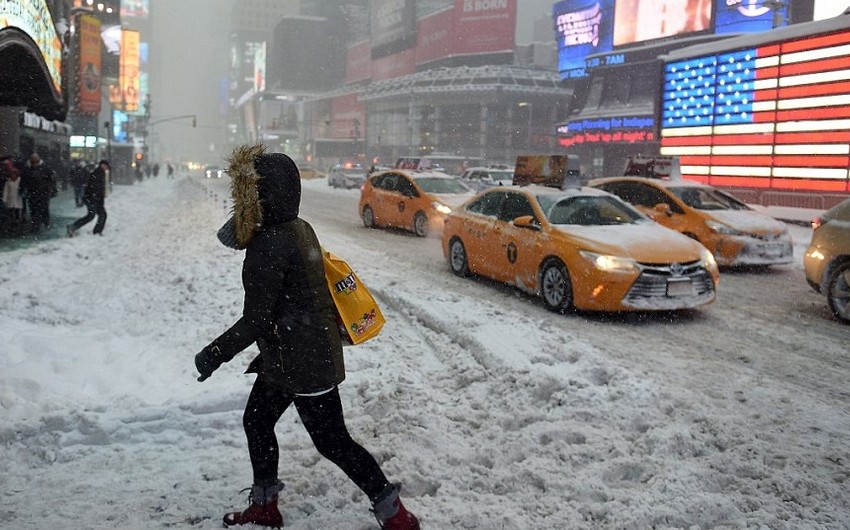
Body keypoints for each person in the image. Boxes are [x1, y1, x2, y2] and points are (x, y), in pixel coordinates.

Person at [193, 144, 420, 530]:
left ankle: (393, 513)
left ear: (261, 195)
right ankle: (265, 505)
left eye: (247, 192)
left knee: (332, 441)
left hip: (304, 361)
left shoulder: (270, 242)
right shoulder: (295, 228)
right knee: (258, 420)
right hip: (289, 355)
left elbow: (256, 319)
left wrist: (214, 353)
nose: (241, 198)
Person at [67, 159, 109, 237]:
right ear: (102, 165)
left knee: (100, 215)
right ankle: (74, 227)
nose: (107, 168)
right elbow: (94, 187)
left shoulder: (100, 173)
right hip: (92, 198)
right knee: (93, 215)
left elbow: (97, 187)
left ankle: (96, 231)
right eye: (106, 166)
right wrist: (96, 197)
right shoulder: (98, 173)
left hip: (95, 198)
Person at [20, 153, 56, 233]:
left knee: (43, 208)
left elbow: (52, 180)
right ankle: (36, 225)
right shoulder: (28, 169)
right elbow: (24, 181)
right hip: (33, 192)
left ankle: (44, 222)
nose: (35, 164)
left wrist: (52, 189)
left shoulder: (45, 168)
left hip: (43, 192)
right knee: (34, 209)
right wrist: (22, 190)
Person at [2, 159, 22, 229]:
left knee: (17, 210)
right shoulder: (8, 182)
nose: (13, 175)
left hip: (17, 198)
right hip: (10, 198)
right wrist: (4, 199)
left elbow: (22, 189)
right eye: (12, 174)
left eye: (14, 173)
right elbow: (6, 191)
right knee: (10, 210)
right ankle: (12, 221)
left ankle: (16, 220)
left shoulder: (19, 180)